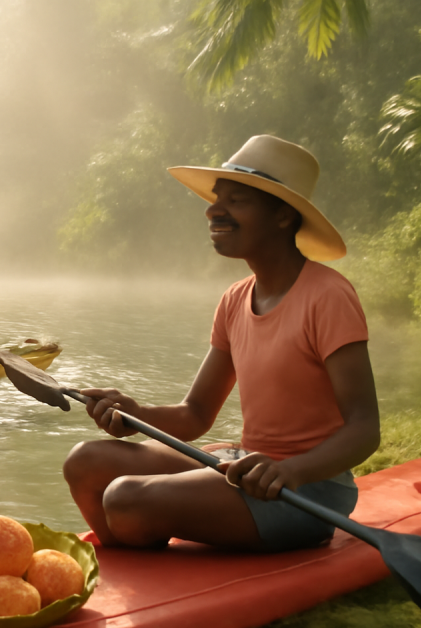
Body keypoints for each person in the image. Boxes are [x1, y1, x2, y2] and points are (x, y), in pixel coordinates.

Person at [63, 135, 380, 552]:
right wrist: (135, 412)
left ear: (283, 216)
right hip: (242, 465)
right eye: (216, 199)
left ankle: (144, 536)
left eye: (237, 200)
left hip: (304, 493)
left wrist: (294, 472)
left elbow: (364, 429)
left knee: (124, 498)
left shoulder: (328, 296)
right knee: (85, 463)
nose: (214, 210)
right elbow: (194, 415)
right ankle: (140, 547)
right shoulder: (234, 299)